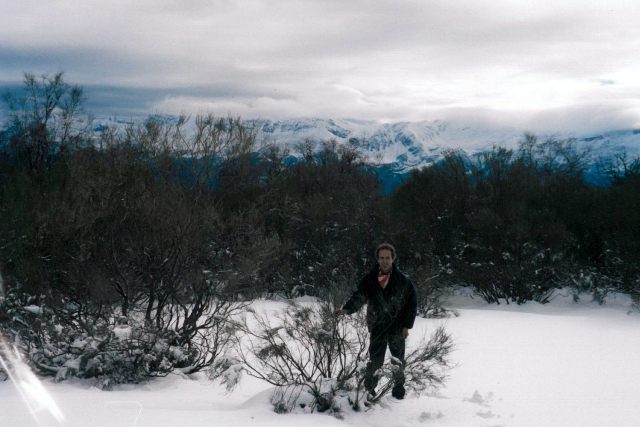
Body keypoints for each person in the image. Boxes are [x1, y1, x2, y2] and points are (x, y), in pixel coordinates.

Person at [336, 243, 417, 400]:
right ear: (378, 259)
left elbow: (412, 304)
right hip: (377, 325)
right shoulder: (370, 279)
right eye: (381, 258)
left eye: (387, 258)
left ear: (393, 258)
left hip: (397, 327)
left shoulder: (403, 281)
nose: (385, 261)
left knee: (398, 361)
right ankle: (369, 389)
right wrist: (347, 309)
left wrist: (407, 326)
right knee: (375, 360)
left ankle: (398, 389)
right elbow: (359, 296)